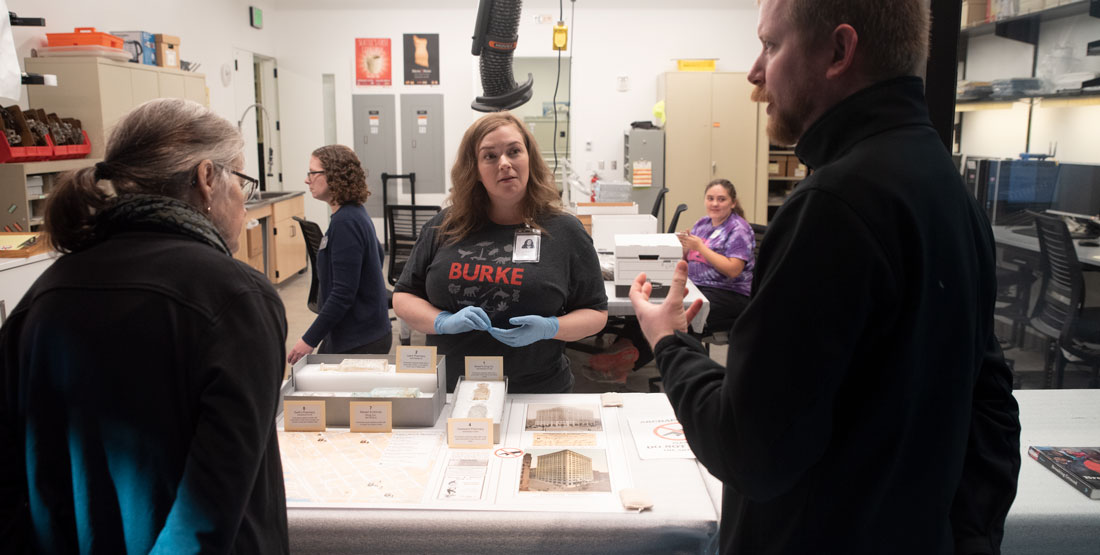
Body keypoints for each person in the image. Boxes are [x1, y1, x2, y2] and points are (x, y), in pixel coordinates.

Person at [629, 1, 1021, 553]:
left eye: (770, 45)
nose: (754, 72)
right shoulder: (948, 189)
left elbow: (748, 451)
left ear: (839, 51)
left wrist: (668, 342)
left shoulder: (833, 206)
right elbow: (993, 409)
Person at [0, 99, 289, 553]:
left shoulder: (45, 295)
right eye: (243, 183)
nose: (247, 209)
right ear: (207, 178)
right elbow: (209, 508)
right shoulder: (236, 297)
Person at [393, 112, 607, 393]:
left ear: (529, 158)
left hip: (536, 392)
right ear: (476, 169)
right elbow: (404, 295)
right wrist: (442, 322)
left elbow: (596, 311)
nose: (504, 163)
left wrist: (551, 327)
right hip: (452, 392)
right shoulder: (444, 225)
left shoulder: (565, 231)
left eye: (514, 151)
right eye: (490, 156)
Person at [589, 178, 755, 376]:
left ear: (733, 203)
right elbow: (689, 258)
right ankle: (622, 350)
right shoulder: (703, 223)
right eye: (710, 198)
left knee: (669, 312)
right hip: (696, 285)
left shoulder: (739, 229)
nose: (715, 204)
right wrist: (682, 247)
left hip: (727, 293)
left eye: (721, 199)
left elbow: (733, 270)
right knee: (650, 301)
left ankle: (626, 361)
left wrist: (699, 247)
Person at [287, 145, 392, 365]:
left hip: (360, 339)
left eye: (312, 173)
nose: (307, 180)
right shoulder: (352, 214)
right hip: (359, 333)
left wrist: (308, 340)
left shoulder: (346, 222)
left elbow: (343, 294)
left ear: (333, 175)